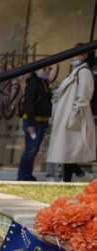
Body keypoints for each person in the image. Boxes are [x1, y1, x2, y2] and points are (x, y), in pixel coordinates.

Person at [46, 46, 96, 183]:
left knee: (67, 151)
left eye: (75, 54)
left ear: (85, 56)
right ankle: (78, 175)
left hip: (73, 118)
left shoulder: (84, 72)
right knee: (66, 151)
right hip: (68, 117)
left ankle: (68, 180)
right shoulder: (78, 71)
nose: (71, 57)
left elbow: (84, 96)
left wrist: (74, 114)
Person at [17, 66, 52, 181]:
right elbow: (29, 104)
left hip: (41, 121)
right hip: (33, 121)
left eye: (49, 69)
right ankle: (23, 176)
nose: (47, 71)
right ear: (36, 70)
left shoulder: (44, 82)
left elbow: (46, 104)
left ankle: (28, 175)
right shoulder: (33, 83)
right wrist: (30, 124)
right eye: (45, 69)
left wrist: (46, 124)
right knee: (30, 150)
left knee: (34, 150)